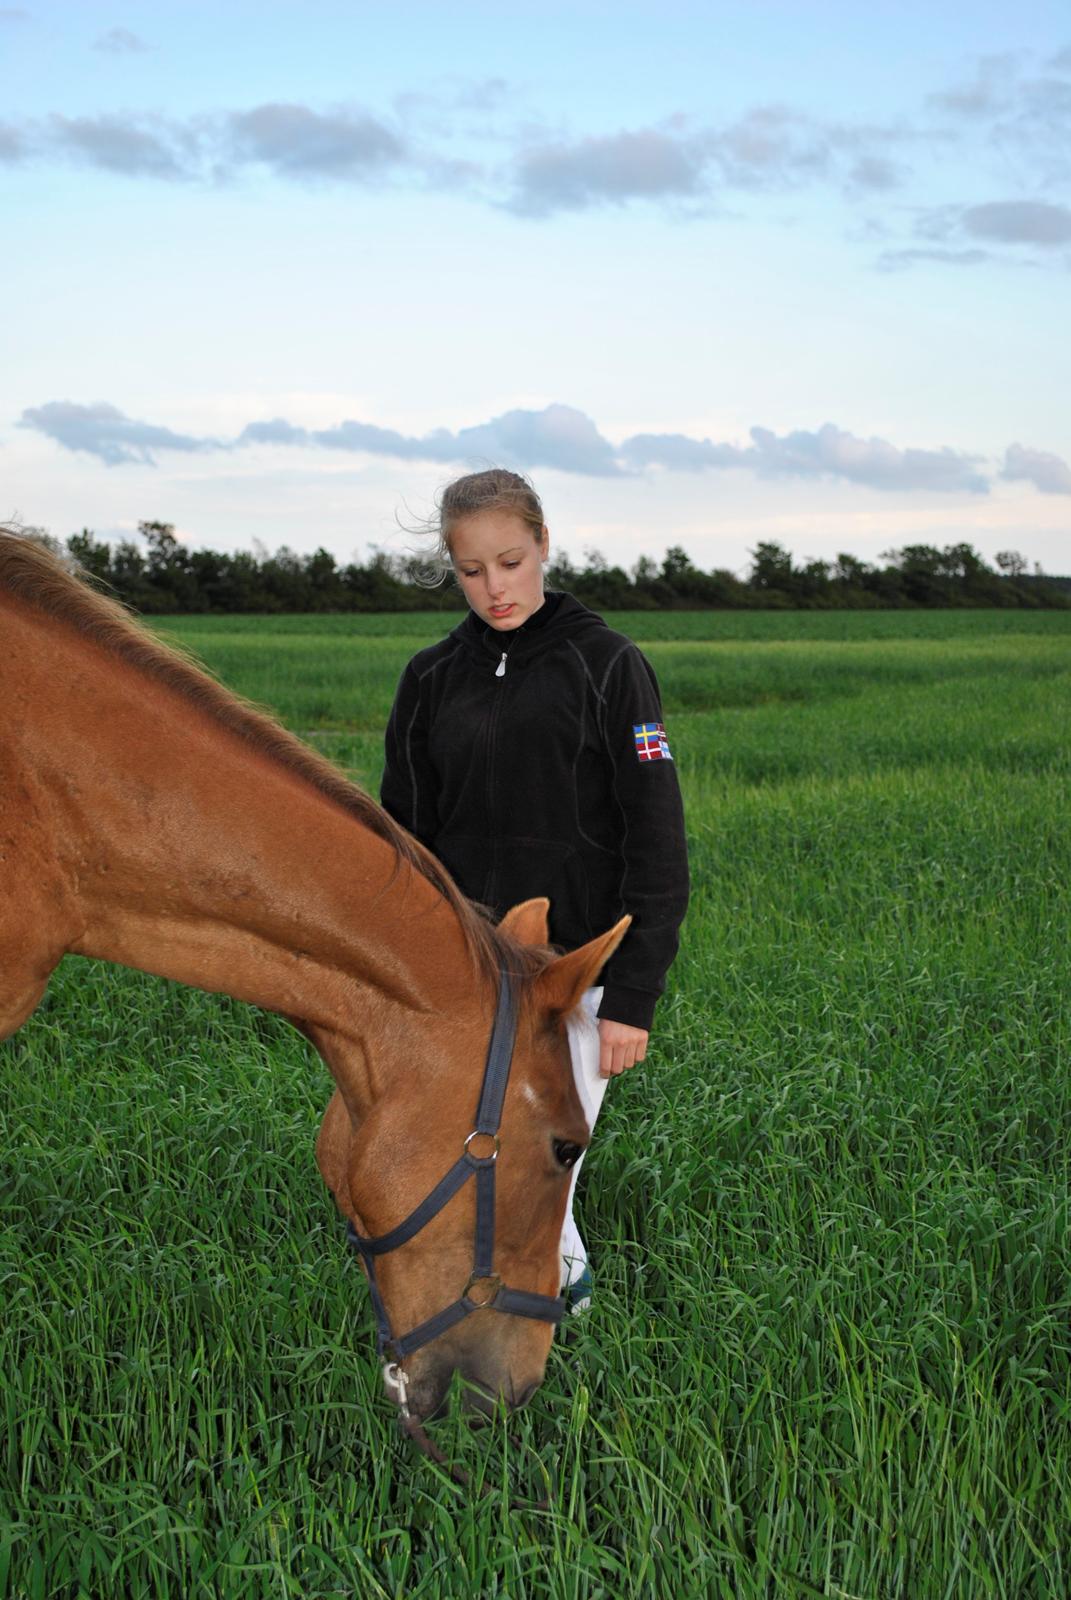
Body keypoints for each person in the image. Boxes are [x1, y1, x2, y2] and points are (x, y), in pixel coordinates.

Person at [380, 468, 689, 1307]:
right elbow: (403, 846)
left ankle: (556, 1315)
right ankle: (511, 1310)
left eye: (510, 563)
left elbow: (657, 840)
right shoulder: (429, 677)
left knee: (539, 1165)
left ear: (544, 544)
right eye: (471, 571)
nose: (494, 588)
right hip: (464, 976)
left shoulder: (608, 665)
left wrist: (633, 997)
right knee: (469, 1160)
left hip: (573, 978)